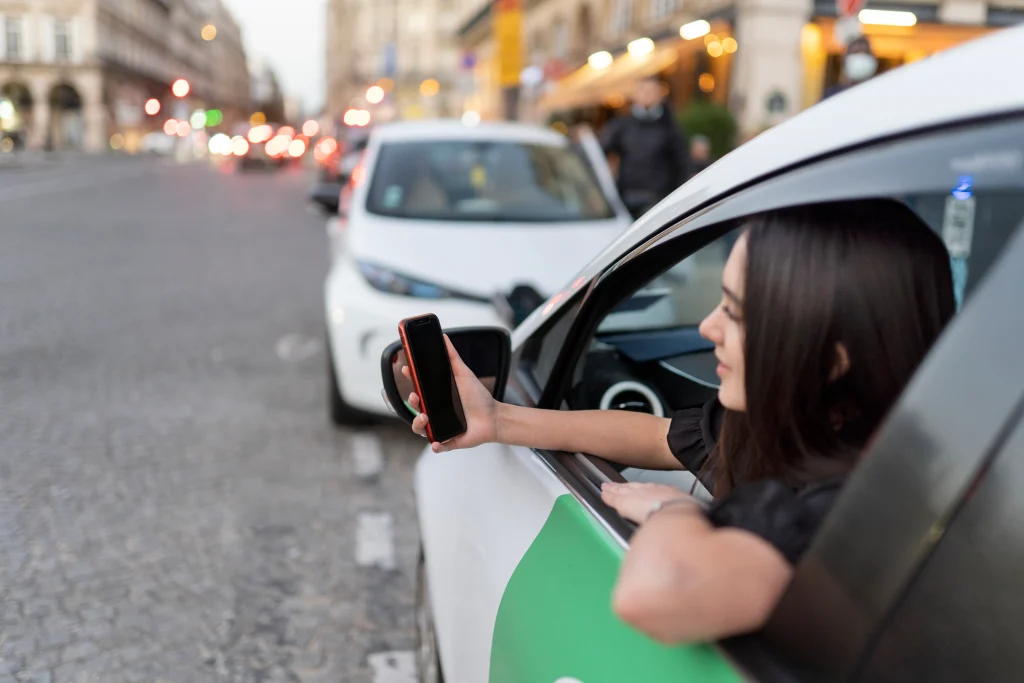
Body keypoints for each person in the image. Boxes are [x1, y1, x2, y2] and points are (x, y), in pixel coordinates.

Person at [404, 199, 955, 644]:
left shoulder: (848, 512)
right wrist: (499, 418)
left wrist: (673, 511)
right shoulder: (825, 426)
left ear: (832, 360)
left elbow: (650, 594)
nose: (707, 327)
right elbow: (659, 437)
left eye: (736, 313)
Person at [601, 76, 689, 219]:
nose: (647, 95)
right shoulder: (622, 126)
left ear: (659, 95)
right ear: (635, 95)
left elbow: (682, 164)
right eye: (643, 90)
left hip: (658, 200)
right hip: (626, 198)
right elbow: (603, 152)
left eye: (651, 91)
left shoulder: (670, 128)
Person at [822, 35, 879, 101]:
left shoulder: (878, 95)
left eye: (865, 53)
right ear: (844, 58)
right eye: (856, 52)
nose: (860, 58)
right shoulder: (832, 96)